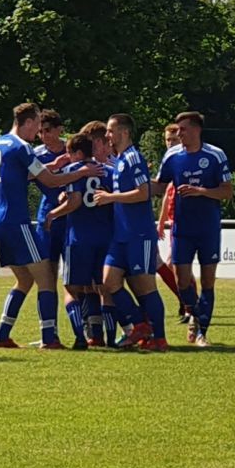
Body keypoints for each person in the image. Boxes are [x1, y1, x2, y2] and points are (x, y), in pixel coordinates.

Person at [0, 102, 101, 350]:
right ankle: (49, 339)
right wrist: (81, 173)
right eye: (37, 126)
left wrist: (51, 167)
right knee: (47, 279)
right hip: (16, 220)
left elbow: (23, 175)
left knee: (24, 281)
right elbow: (49, 182)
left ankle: (2, 335)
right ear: (28, 123)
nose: (38, 132)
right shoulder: (22, 147)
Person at [155, 110, 232, 348]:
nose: (179, 134)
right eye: (177, 130)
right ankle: (197, 314)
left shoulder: (215, 155)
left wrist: (202, 192)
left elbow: (227, 192)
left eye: (183, 129)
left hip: (207, 228)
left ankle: (201, 332)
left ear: (197, 130)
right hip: (182, 228)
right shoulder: (172, 156)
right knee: (181, 280)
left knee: (208, 281)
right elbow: (158, 186)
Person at [94, 113, 169, 352]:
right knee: (108, 281)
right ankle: (139, 324)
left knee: (146, 287)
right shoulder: (121, 159)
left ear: (124, 132)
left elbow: (143, 192)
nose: (107, 135)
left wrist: (110, 198)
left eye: (110, 130)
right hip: (121, 236)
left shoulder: (134, 158)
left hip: (138, 234)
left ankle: (159, 338)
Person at [46, 128, 115, 349]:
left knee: (71, 288)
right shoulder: (108, 171)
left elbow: (75, 201)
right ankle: (106, 337)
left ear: (76, 153)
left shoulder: (73, 170)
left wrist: (53, 214)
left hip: (79, 237)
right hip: (105, 236)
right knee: (102, 288)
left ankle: (79, 338)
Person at [33, 109, 71, 332]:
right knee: (47, 275)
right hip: (47, 218)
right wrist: (53, 167)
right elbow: (22, 176)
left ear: (59, 130)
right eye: (40, 132)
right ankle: (49, 330)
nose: (44, 135)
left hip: (74, 219)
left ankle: (88, 328)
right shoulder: (36, 155)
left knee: (77, 277)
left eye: (48, 130)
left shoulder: (74, 148)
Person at [155, 122, 184, 312]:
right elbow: (166, 192)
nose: (170, 143)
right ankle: (187, 303)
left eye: (174, 139)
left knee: (175, 264)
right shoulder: (169, 160)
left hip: (184, 220)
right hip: (174, 219)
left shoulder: (182, 159)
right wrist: (162, 219)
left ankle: (189, 303)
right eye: (167, 140)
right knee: (172, 264)